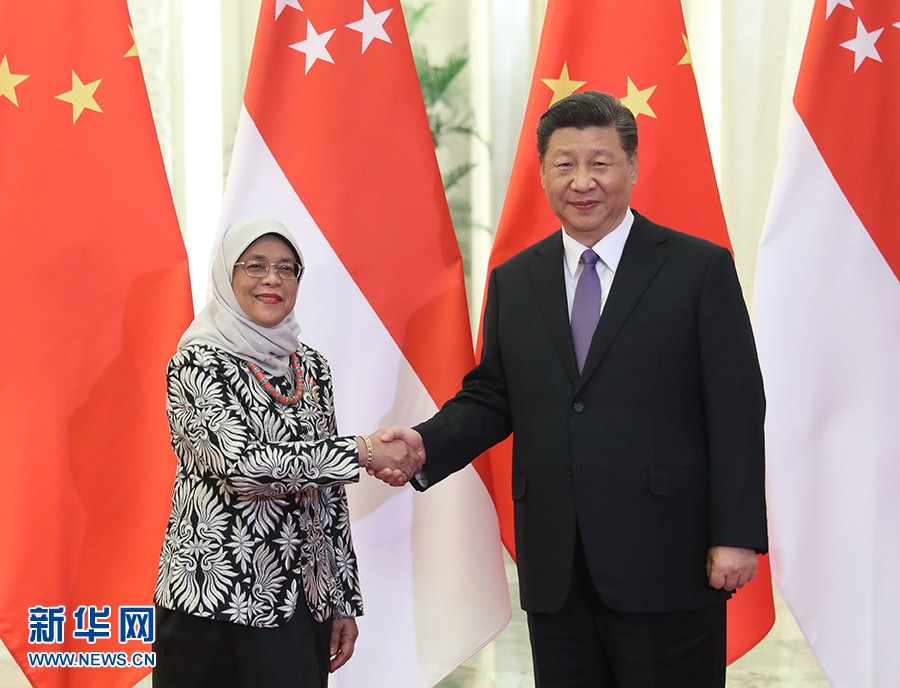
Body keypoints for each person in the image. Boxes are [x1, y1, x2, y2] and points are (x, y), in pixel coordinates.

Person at [383, 91, 767, 687]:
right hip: (557, 566)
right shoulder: (515, 280)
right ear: (543, 174)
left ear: (631, 167)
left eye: (600, 163)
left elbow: (736, 408)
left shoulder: (698, 269)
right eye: (564, 164)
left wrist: (737, 535)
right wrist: (425, 443)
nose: (582, 182)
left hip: (668, 558)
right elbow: (493, 395)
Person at [153, 217, 420, 687]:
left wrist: (341, 600)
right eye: (255, 266)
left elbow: (329, 493)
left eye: (286, 268)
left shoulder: (311, 366)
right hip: (213, 603)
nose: (272, 279)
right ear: (227, 275)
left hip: (301, 606)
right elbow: (243, 467)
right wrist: (361, 451)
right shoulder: (197, 362)